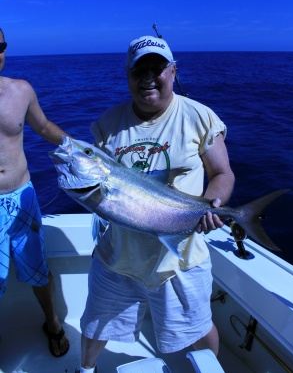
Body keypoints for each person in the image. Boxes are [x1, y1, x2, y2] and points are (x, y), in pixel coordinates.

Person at [76, 35, 235, 373]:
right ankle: (85, 370)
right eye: (139, 70)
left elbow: (222, 173)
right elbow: (100, 187)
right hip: (118, 255)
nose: (148, 77)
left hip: (180, 258)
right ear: (127, 75)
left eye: (157, 68)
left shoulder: (199, 116)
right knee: (94, 326)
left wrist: (213, 205)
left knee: (198, 328)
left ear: (173, 72)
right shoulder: (108, 123)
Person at [0, 27, 70, 357]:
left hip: (22, 197)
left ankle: (52, 323)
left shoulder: (21, 90)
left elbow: (43, 127)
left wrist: (77, 147)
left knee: (39, 269)